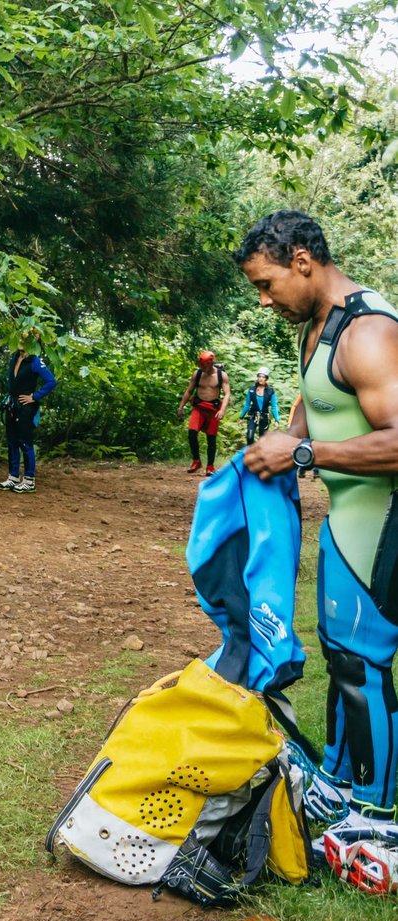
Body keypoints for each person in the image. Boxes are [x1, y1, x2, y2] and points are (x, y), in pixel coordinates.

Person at [237, 209, 398, 882]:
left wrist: (303, 449)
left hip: (382, 519)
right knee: (341, 654)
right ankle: (339, 778)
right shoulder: (317, 327)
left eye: (269, 284)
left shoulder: (368, 332)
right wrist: (286, 436)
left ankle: (381, 822)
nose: (266, 301)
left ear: (302, 259)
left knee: (362, 665)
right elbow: (314, 397)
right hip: (347, 517)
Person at [0, 336, 56, 493]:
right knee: (12, 441)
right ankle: (13, 476)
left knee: (25, 441)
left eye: (26, 340)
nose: (21, 342)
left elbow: (51, 381)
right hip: (12, 404)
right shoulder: (14, 357)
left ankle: (29, 480)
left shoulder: (35, 361)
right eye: (20, 339)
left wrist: (34, 397)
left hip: (26, 406)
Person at [177, 351, 231, 475]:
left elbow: (227, 393)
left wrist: (222, 410)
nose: (203, 368)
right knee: (192, 433)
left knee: (211, 438)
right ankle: (196, 460)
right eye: (201, 366)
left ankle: (210, 466)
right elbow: (189, 391)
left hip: (213, 410)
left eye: (205, 366)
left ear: (211, 363)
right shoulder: (197, 374)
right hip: (199, 407)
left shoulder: (221, 375)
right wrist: (181, 407)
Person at [239, 368, 279, 444]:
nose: (261, 379)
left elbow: (274, 407)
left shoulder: (270, 391)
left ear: (266, 379)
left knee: (262, 440)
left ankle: (260, 454)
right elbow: (247, 405)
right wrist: (241, 417)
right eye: (259, 376)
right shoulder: (252, 390)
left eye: (263, 377)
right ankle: (250, 453)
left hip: (264, 416)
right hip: (252, 415)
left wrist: (276, 420)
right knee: (250, 437)